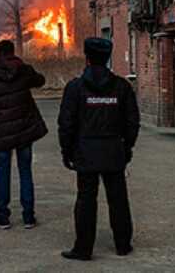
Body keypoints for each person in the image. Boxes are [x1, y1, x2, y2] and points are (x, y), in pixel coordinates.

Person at [57, 37, 140, 261]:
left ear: (87, 57)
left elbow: (66, 123)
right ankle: (123, 245)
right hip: (113, 151)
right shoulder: (122, 87)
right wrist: (127, 146)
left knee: (85, 200)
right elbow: (133, 121)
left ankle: (83, 248)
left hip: (85, 152)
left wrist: (67, 151)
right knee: (118, 199)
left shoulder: (75, 88)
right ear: (108, 57)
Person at [0, 40, 48, 230]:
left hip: (1, 134)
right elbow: (40, 81)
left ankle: (2, 217)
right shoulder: (23, 71)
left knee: (2, 173)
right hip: (24, 131)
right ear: (13, 52)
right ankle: (28, 217)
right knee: (25, 171)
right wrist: (26, 69)